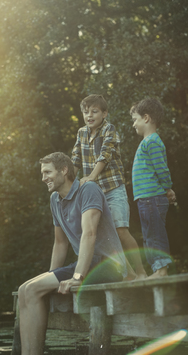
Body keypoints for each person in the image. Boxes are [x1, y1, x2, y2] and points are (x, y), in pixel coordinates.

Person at [18, 152, 126, 355]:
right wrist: (50, 279)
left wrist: (78, 277)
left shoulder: (88, 190)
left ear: (64, 170)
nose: (43, 178)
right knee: (25, 289)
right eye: (42, 173)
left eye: (47, 172)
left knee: (32, 290)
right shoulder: (55, 200)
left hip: (108, 264)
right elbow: (60, 243)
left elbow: (90, 234)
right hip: (88, 263)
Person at [71, 94, 147, 280]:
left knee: (120, 230)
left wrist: (91, 177)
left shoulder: (109, 130)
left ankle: (141, 271)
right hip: (94, 194)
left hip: (113, 189)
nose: (89, 116)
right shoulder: (81, 133)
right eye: (86, 112)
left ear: (104, 113)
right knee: (106, 236)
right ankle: (129, 274)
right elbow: (75, 160)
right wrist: (70, 185)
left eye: (94, 112)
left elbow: (105, 156)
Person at [130, 97, 176, 278]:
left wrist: (168, 188)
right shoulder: (147, 142)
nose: (134, 124)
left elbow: (162, 169)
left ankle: (162, 270)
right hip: (145, 199)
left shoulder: (153, 142)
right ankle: (157, 269)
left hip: (152, 198)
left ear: (146, 118)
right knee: (149, 235)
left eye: (135, 119)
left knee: (155, 234)